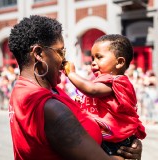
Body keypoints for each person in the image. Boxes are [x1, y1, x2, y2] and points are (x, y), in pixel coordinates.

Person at [8, 15, 142, 160]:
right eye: (60, 52)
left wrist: (128, 141)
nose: (65, 60)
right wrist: (129, 157)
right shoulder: (50, 108)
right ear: (39, 53)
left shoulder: (26, 90)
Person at [64, 34, 146, 160]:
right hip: (103, 140)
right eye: (92, 58)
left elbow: (92, 90)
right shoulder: (99, 81)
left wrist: (71, 74)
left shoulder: (117, 81)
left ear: (119, 62)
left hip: (114, 144)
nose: (93, 63)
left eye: (99, 57)